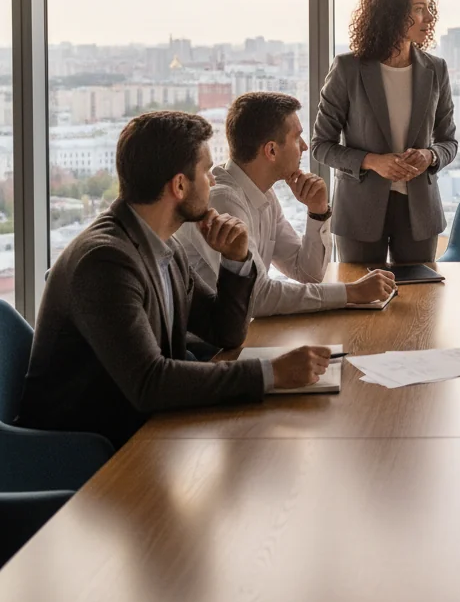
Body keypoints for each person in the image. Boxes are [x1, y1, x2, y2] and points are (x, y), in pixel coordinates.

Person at [17, 112, 331, 449]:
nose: (214, 181)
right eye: (207, 172)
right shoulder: (105, 262)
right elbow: (150, 382)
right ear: (179, 186)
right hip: (84, 448)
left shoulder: (163, 244)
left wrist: (236, 260)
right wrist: (272, 373)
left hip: (145, 428)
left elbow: (224, 332)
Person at [177, 92, 396, 319]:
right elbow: (257, 297)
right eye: (297, 137)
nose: (304, 147)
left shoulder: (265, 195)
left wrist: (318, 211)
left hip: (242, 334)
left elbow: (307, 273)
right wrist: (351, 292)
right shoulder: (222, 200)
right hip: (210, 349)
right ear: (271, 150)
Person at [311, 0, 458, 264]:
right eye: (419, 9)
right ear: (392, 13)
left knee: (420, 301)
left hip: (419, 211)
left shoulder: (435, 70)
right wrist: (373, 161)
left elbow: (449, 142)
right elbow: (320, 146)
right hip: (359, 211)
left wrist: (430, 156)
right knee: (361, 301)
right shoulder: (348, 69)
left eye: (429, 9)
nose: (429, 18)